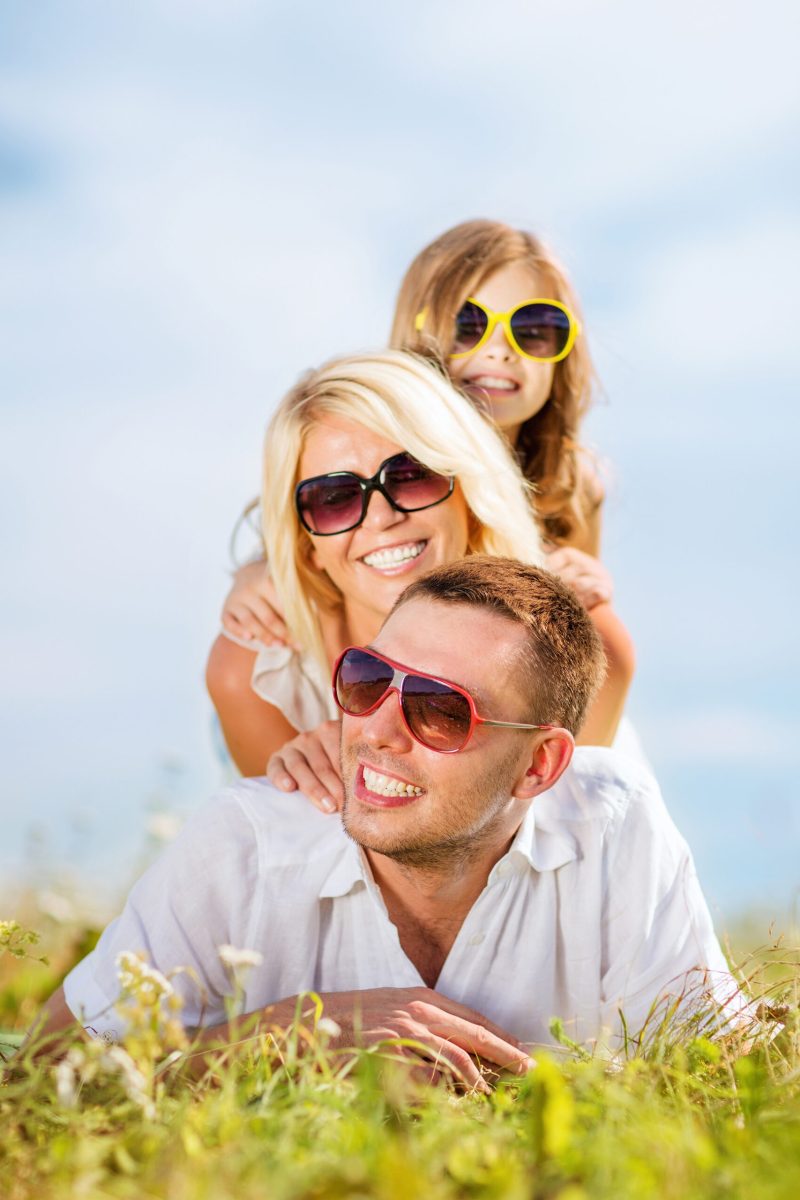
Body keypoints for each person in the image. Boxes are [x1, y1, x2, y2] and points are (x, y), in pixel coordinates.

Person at [39, 559, 734, 1086]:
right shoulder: (244, 843)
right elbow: (41, 1075)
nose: (376, 731)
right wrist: (279, 1036)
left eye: (441, 709)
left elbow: (721, 1085)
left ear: (539, 766)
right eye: (368, 681)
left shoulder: (614, 827)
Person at [206, 352, 634, 786]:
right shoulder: (253, 673)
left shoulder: (585, 650)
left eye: (411, 475)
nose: (380, 518)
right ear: (307, 543)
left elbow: (560, 840)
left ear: (469, 490)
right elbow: (296, 849)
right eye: (334, 499)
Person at [223, 219, 616, 645]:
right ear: (418, 334)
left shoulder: (572, 485)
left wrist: (577, 586)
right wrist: (254, 575)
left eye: (534, 330)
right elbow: (311, 538)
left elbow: (574, 643)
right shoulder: (376, 449)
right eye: (466, 325)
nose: (499, 350)